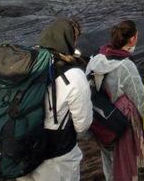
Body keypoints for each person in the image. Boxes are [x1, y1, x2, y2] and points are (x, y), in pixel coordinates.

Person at [11, 19, 93, 181]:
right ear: (69, 39)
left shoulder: (25, 65)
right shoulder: (74, 75)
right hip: (57, 157)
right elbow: (82, 124)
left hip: (21, 150)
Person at [86, 20, 144, 181]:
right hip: (118, 123)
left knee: (108, 159)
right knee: (123, 162)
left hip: (99, 119)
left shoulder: (97, 57)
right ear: (132, 39)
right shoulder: (126, 66)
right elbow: (139, 98)